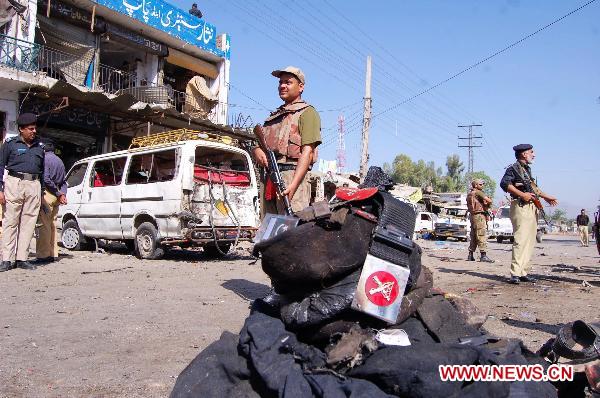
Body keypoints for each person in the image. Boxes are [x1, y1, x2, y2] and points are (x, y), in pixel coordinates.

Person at [253, 66, 321, 216]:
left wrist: (293, 185)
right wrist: (256, 150)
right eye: (280, 82)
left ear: (301, 87)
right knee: (268, 225)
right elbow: (260, 144)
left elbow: (307, 152)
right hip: (270, 177)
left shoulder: (308, 112)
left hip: (292, 176)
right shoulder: (274, 116)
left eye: (288, 82)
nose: (282, 86)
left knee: (291, 226)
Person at [500, 144, 558, 285]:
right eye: (531, 152)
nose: (534, 154)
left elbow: (533, 188)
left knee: (530, 241)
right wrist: (522, 194)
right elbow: (504, 184)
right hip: (521, 206)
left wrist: (546, 197)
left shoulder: (526, 169)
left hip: (531, 207)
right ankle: (515, 273)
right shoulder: (513, 168)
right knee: (521, 240)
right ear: (524, 154)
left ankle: (523, 272)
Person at [0, 113, 45, 272]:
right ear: (21, 129)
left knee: (29, 223)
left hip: (34, 185)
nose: (34, 131)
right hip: (14, 183)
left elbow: (43, 171)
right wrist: (0, 190)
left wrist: (42, 192)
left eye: (35, 128)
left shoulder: (40, 147)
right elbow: (0, 166)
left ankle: (21, 259)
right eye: (30, 129)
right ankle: (7, 259)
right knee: (10, 221)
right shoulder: (10, 144)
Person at [35, 138, 67, 265]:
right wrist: (62, 194)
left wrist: (57, 193)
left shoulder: (45, 159)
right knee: (53, 225)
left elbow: (46, 179)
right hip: (57, 196)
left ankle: (43, 255)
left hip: (48, 194)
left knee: (44, 225)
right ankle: (53, 253)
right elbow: (64, 181)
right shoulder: (60, 161)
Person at [466, 179, 495, 263]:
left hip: (472, 215)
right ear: (475, 185)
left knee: (474, 235)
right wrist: (487, 202)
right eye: (480, 184)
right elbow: (489, 201)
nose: (482, 186)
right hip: (479, 215)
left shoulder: (470, 194)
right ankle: (483, 255)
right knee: (481, 234)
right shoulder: (478, 192)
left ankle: (470, 254)